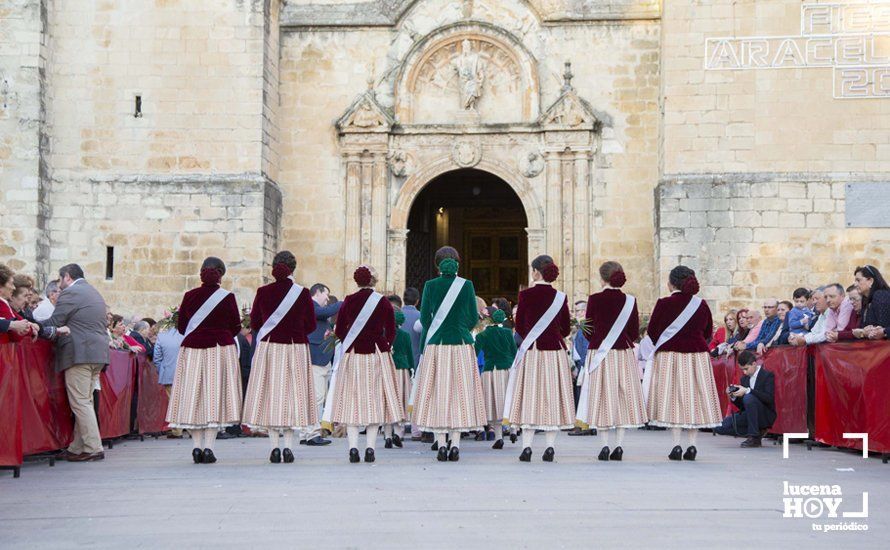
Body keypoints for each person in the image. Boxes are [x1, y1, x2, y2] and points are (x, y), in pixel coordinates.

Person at [411, 246, 487, 462]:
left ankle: (441, 444)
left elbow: (425, 319)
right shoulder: (467, 285)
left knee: (438, 393)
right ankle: (455, 444)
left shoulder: (430, 286)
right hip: (462, 345)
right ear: (457, 262)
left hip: (437, 345)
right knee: (460, 393)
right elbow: (473, 318)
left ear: (437, 264)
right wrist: (460, 328)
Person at [242, 251, 319, 464]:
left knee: (271, 395)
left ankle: (274, 448)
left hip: (269, 348)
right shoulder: (302, 293)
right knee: (292, 396)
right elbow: (311, 325)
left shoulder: (263, 291)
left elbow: (256, 323)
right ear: (293, 268)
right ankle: (288, 447)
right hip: (295, 348)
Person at [166, 257, 243, 464]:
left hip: (192, 350)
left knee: (193, 397)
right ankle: (209, 447)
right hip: (219, 350)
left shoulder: (189, 295)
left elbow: (182, 327)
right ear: (221, 274)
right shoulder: (227, 297)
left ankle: (196, 448)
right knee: (213, 397)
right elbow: (236, 326)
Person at [325, 265, 403, 463]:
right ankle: (370, 448)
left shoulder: (349, 300)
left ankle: (353, 449)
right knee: (374, 400)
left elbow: (341, 329)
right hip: (376, 354)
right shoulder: (383, 302)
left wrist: (350, 341)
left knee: (352, 401)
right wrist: (386, 344)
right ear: (373, 281)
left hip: (354, 354)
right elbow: (391, 329)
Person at [644, 265, 721, 461]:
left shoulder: (663, 304)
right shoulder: (701, 304)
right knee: (694, 398)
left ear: (671, 283)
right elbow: (707, 332)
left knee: (673, 399)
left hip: (670, 355)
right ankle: (692, 446)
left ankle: (676, 445)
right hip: (697, 356)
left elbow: (653, 332)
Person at [504, 255, 574, 463]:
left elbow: (521, 327)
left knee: (529, 397)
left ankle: (526, 447)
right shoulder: (560, 297)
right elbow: (566, 328)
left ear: (535, 271)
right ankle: (550, 448)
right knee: (551, 398)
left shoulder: (526, 295)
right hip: (554, 353)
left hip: (532, 351)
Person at [576, 261, 647, 461]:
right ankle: (619, 446)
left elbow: (588, 329)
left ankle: (604, 445)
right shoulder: (630, 301)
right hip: (623, 353)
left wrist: (597, 339)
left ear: (602, 278)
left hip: (600, 352)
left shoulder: (595, 299)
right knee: (621, 397)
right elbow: (634, 331)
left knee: (601, 397)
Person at [40, 264, 110, 462]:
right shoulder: (93, 291)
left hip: (80, 353)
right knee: (85, 401)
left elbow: (55, 321)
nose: (60, 283)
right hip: (96, 353)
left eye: (60, 279)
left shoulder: (71, 293)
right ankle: (77, 447)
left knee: (80, 403)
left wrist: (32, 324)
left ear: (67, 277)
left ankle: (93, 447)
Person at [301, 283, 340, 446]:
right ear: (318, 292)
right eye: (326, 295)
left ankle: (306, 433)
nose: (328, 300)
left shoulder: (317, 310)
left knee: (317, 397)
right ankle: (312, 433)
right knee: (316, 397)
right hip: (316, 359)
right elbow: (326, 312)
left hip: (321, 359)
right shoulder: (310, 305)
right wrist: (346, 302)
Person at [714, 350, 776, 448]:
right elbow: (743, 406)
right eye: (742, 369)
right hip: (749, 415)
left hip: (765, 414)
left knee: (749, 397)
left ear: (754, 364)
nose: (744, 372)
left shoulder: (767, 376)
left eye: (746, 369)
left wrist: (748, 391)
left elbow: (769, 399)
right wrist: (734, 396)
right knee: (718, 427)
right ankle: (757, 432)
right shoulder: (744, 379)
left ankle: (754, 436)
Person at [474, 308, 517, 449]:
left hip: (490, 370)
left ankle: (499, 437)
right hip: (507, 369)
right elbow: (514, 352)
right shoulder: (508, 333)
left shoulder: (482, 336)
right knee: (508, 400)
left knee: (494, 404)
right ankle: (513, 429)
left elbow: (474, 354)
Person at [384, 307, 413, 449]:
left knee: (387, 402)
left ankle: (388, 436)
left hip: (387, 369)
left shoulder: (383, 333)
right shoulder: (405, 335)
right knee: (399, 401)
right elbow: (409, 353)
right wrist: (411, 368)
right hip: (401, 369)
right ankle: (398, 433)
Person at [153, 318, 185, 438]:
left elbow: (157, 358)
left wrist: (162, 369)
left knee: (173, 402)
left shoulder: (162, 337)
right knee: (186, 400)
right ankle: (191, 429)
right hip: (186, 373)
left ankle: (177, 430)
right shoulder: (187, 334)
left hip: (169, 373)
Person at [567, 300, 595, 436]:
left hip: (583, 364)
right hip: (580, 364)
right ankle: (582, 424)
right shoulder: (581, 327)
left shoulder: (585, 326)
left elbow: (586, 347)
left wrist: (583, 366)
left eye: (577, 311)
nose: (575, 313)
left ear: (584, 311)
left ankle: (583, 426)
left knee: (582, 395)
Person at [852, 265, 890, 341]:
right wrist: (863, 332)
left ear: (870, 281)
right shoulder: (865, 299)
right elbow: (864, 328)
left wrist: (863, 332)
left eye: (858, 280)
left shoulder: (880, 295)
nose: (855, 284)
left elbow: (882, 328)